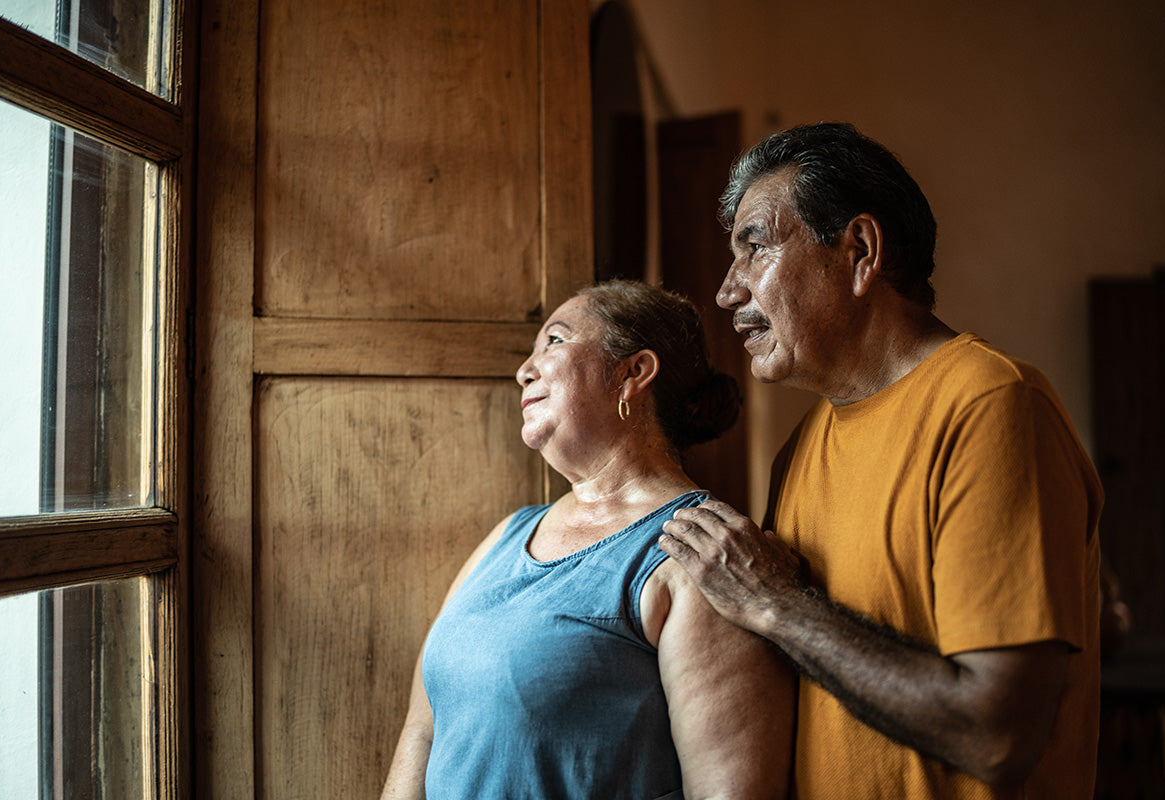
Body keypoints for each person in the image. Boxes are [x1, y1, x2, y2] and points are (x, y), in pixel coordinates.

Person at [659, 123, 1103, 799]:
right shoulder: (798, 453)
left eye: (754, 249)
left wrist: (779, 606)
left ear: (860, 250)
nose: (726, 292)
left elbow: (996, 734)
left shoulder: (990, 404)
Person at [382, 280, 795, 800]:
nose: (523, 370)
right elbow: (421, 733)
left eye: (554, 341)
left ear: (632, 373)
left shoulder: (702, 550)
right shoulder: (506, 537)